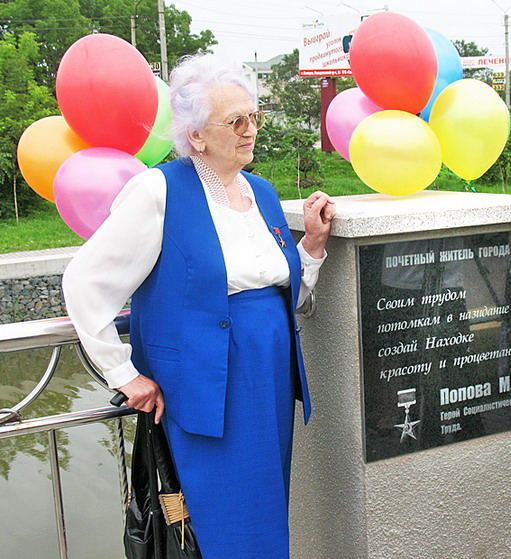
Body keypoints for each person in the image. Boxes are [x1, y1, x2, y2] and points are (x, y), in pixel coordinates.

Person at [62, 53, 336, 559]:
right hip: (205, 387)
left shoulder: (262, 193)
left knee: (265, 511)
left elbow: (281, 297)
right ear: (196, 135)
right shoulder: (158, 190)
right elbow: (85, 281)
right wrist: (123, 374)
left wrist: (312, 248)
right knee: (220, 520)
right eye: (235, 121)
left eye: (254, 116)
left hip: (269, 378)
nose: (250, 130)